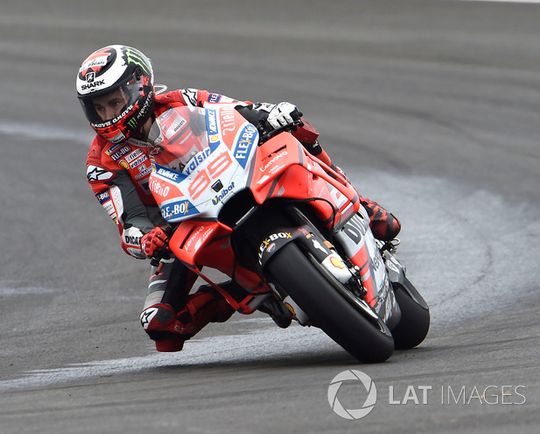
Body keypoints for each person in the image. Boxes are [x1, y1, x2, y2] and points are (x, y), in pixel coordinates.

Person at [78, 44, 400, 352]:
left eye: (114, 101)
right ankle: (248, 291)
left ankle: (356, 200)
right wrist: (148, 239)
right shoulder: (101, 162)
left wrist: (268, 113)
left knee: (292, 125)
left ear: (139, 86)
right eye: (99, 107)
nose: (108, 113)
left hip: (234, 176)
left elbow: (235, 110)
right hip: (181, 227)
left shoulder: (182, 101)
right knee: (160, 323)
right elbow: (128, 221)